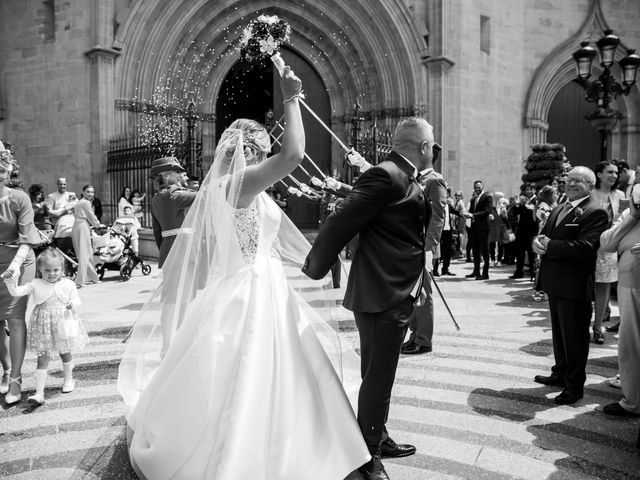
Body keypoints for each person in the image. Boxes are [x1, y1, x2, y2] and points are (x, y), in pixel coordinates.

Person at [118, 65, 370, 480]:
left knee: (260, 366)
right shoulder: (240, 183)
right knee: (254, 367)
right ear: (250, 151)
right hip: (252, 288)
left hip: (249, 282)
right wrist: (291, 98)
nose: (268, 151)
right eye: (262, 145)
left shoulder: (225, 187)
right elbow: (292, 157)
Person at [303, 117, 435, 480]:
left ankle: (378, 433)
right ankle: (368, 453)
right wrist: (315, 268)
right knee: (378, 376)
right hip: (381, 293)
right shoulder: (387, 174)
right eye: (432, 146)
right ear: (423, 146)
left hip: (394, 289)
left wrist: (416, 284)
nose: (432, 152)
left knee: (378, 373)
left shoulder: (402, 176)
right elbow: (341, 219)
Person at [533, 166, 609, 405]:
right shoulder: (559, 207)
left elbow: (586, 247)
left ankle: (574, 386)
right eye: (569, 179)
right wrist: (536, 243)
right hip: (555, 282)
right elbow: (543, 235)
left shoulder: (595, 212)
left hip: (574, 285)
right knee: (559, 333)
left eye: (579, 180)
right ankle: (560, 373)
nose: (572, 183)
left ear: (590, 185)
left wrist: (548, 246)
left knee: (575, 337)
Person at [3, 248, 87, 405]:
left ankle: (69, 379)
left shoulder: (68, 284)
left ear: (62, 269)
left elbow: (77, 300)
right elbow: (16, 292)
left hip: (62, 325)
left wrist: (71, 304)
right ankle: (39, 392)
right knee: (42, 357)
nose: (52, 273)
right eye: (47, 270)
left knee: (65, 353)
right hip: (43, 328)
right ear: (39, 269)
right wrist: (10, 282)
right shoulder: (36, 284)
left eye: (56, 270)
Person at [0, 141, 41, 405]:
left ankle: (16, 377)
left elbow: (27, 238)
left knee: (14, 319)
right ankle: (5, 370)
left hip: (19, 260)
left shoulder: (18, 198)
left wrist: (14, 266)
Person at [402, 142, 445, 356]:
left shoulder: (434, 180)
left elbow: (438, 217)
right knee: (413, 293)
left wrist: (429, 248)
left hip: (423, 247)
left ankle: (423, 340)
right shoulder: (417, 179)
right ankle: (415, 335)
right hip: (412, 245)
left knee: (423, 294)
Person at [598, 196, 640, 417]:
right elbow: (607, 243)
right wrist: (632, 216)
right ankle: (633, 401)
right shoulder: (630, 214)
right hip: (629, 284)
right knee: (630, 343)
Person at [591, 161, 625, 345]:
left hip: (609, 249)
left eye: (615, 173)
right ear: (598, 174)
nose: (613, 175)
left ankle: (597, 328)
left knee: (603, 288)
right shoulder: (589, 194)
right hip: (588, 247)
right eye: (609, 172)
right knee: (586, 287)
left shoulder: (620, 195)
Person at [149, 158, 198, 268]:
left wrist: (164, 250)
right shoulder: (173, 194)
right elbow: (202, 194)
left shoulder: (155, 199)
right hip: (184, 252)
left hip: (168, 252)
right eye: (176, 171)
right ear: (166, 176)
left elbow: (157, 232)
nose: (179, 175)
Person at [71, 184, 102, 287]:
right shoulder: (85, 203)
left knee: (85, 252)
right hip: (82, 226)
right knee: (85, 253)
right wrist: (98, 224)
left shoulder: (80, 202)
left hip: (78, 225)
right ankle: (81, 280)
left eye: (92, 192)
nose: (90, 194)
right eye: (88, 191)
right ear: (83, 192)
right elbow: (91, 216)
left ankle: (93, 277)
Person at [532, 185, 558, 302]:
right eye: (554, 193)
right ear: (549, 195)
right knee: (541, 266)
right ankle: (540, 290)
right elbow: (546, 220)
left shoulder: (552, 206)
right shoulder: (543, 207)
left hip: (550, 238)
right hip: (543, 238)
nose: (556, 196)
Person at [463, 181, 493, 280]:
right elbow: (470, 212)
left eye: (479, 187)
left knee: (484, 251)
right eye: (475, 187)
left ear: (482, 187)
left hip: (483, 228)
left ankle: (485, 273)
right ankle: (476, 272)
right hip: (474, 229)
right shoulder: (473, 199)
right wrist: (468, 225)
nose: (477, 189)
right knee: (475, 251)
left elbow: (487, 211)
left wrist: (473, 215)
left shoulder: (487, 197)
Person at [511, 182, 538, 280]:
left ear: (535, 190)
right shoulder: (523, 200)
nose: (529, 191)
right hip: (521, 232)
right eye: (527, 190)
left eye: (531, 189)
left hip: (532, 232)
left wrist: (530, 208)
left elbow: (536, 216)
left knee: (531, 254)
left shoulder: (537, 201)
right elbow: (515, 212)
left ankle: (533, 274)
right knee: (520, 253)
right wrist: (517, 204)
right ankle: (518, 272)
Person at [46, 178, 77, 248]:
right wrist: (63, 212)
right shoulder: (52, 196)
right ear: (57, 185)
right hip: (58, 223)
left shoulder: (71, 195)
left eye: (64, 184)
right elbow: (49, 212)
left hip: (71, 223)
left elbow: (76, 206)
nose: (62, 186)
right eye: (60, 184)